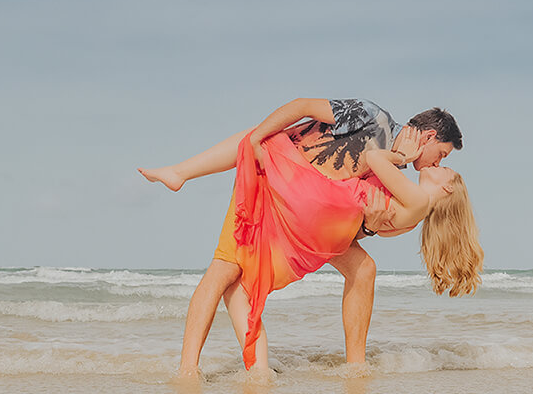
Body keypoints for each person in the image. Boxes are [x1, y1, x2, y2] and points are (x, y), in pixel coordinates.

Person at [140, 99, 479, 373]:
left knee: (226, 272)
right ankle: (292, 369)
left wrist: (257, 139)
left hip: (296, 199)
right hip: (301, 202)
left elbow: (368, 210)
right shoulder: (373, 118)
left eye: (443, 162)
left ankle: (193, 370)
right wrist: (370, 226)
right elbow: (304, 107)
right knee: (361, 268)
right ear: (430, 135)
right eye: (443, 154)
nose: (437, 163)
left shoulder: (398, 166)